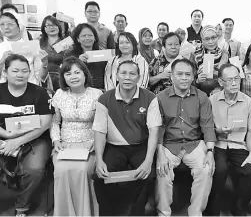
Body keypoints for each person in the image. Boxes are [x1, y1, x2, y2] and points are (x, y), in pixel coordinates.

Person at [92, 60, 161, 216]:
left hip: (140, 146)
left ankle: (137, 212)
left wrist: (148, 160)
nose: (127, 77)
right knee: (99, 177)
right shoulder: (105, 98)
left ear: (138, 76)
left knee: (148, 176)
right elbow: (100, 132)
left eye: (132, 73)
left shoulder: (150, 97)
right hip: (114, 147)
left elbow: (154, 131)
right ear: (117, 75)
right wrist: (99, 159)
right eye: (123, 73)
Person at [156, 58, 216, 216]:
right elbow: (158, 129)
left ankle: (196, 212)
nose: (184, 78)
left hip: (194, 143)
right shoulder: (160, 98)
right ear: (172, 77)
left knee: (207, 168)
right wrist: (160, 154)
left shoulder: (202, 97)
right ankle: (163, 213)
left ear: (193, 76)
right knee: (162, 169)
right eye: (180, 74)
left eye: (188, 74)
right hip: (168, 144)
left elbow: (207, 125)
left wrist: (210, 152)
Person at [0, 54, 54, 216]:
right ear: (5, 72)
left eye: (24, 71)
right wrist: (7, 136)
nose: (20, 74)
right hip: (3, 137)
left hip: (35, 138)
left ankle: (22, 205)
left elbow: (45, 123)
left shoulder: (39, 93)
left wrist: (17, 141)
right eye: (15, 70)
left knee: (35, 169)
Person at [205, 63, 251, 216]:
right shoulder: (211, 101)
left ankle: (239, 207)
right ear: (221, 82)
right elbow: (206, 129)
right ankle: (212, 210)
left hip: (240, 146)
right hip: (218, 144)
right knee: (219, 170)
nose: (235, 83)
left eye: (237, 78)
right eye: (230, 80)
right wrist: (218, 131)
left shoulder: (249, 102)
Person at [51, 56, 102, 216]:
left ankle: (86, 212)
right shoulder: (59, 94)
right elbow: (54, 122)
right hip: (65, 144)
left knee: (83, 170)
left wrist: (96, 141)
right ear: (63, 77)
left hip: (89, 143)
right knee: (61, 171)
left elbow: (102, 123)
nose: (73, 77)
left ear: (85, 74)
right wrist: (56, 140)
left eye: (77, 72)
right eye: (68, 74)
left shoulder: (97, 94)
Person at [0, 12, 51, 89]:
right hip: (4, 92)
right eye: (2, 24)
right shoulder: (1, 47)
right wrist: (2, 61)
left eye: (10, 24)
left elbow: (40, 76)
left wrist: (44, 63)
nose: (6, 27)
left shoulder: (31, 46)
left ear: (19, 27)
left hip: (30, 90)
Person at [64, 23, 107, 90]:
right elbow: (65, 72)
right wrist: (77, 62)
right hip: (77, 90)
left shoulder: (102, 54)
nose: (87, 38)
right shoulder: (69, 54)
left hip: (99, 90)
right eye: (83, 36)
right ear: (78, 39)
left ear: (95, 38)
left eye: (90, 35)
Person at [194, 25, 228, 96]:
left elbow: (230, 78)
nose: (210, 41)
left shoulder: (224, 54)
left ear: (217, 38)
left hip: (221, 95)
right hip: (201, 95)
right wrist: (197, 81)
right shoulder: (196, 55)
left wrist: (221, 88)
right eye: (207, 39)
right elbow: (189, 78)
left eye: (213, 38)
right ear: (202, 40)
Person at [39, 15, 64, 91]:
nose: (52, 27)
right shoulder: (39, 43)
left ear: (59, 27)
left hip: (60, 78)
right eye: (48, 25)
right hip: (42, 77)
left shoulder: (65, 42)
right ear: (44, 29)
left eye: (54, 25)